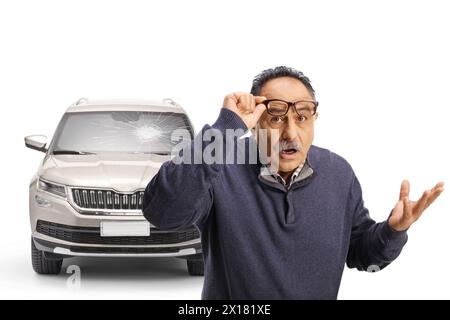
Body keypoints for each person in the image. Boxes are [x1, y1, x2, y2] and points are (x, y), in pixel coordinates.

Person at [142, 66, 444, 299]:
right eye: (275, 117)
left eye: (302, 117)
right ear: (254, 122)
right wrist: (224, 129)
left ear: (315, 118)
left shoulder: (339, 173)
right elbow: (163, 213)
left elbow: (362, 256)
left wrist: (393, 231)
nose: (290, 133)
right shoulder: (222, 164)